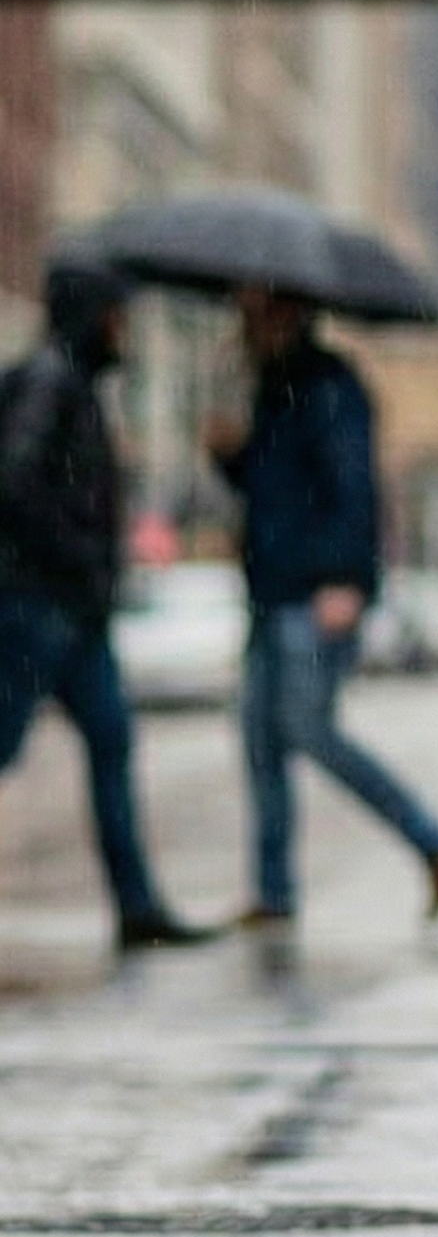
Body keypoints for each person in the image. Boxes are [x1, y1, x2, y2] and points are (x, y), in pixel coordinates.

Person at [207, 286, 438, 928]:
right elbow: (271, 490)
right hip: (271, 592)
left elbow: (354, 488)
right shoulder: (271, 389)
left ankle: (429, 836)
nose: (246, 325)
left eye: (257, 312)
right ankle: (274, 893)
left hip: (316, 593)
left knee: (307, 729)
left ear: (287, 314)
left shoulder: (329, 386)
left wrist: (348, 579)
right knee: (261, 741)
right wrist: (228, 456)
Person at [0, 255, 217, 951]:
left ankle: (137, 905)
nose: (126, 330)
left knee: (112, 741)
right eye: (118, 316)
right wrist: (79, 555)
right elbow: (16, 480)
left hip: (74, 611)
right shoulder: (51, 382)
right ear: (92, 316)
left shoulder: (74, 387)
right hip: (39, 604)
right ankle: (138, 903)